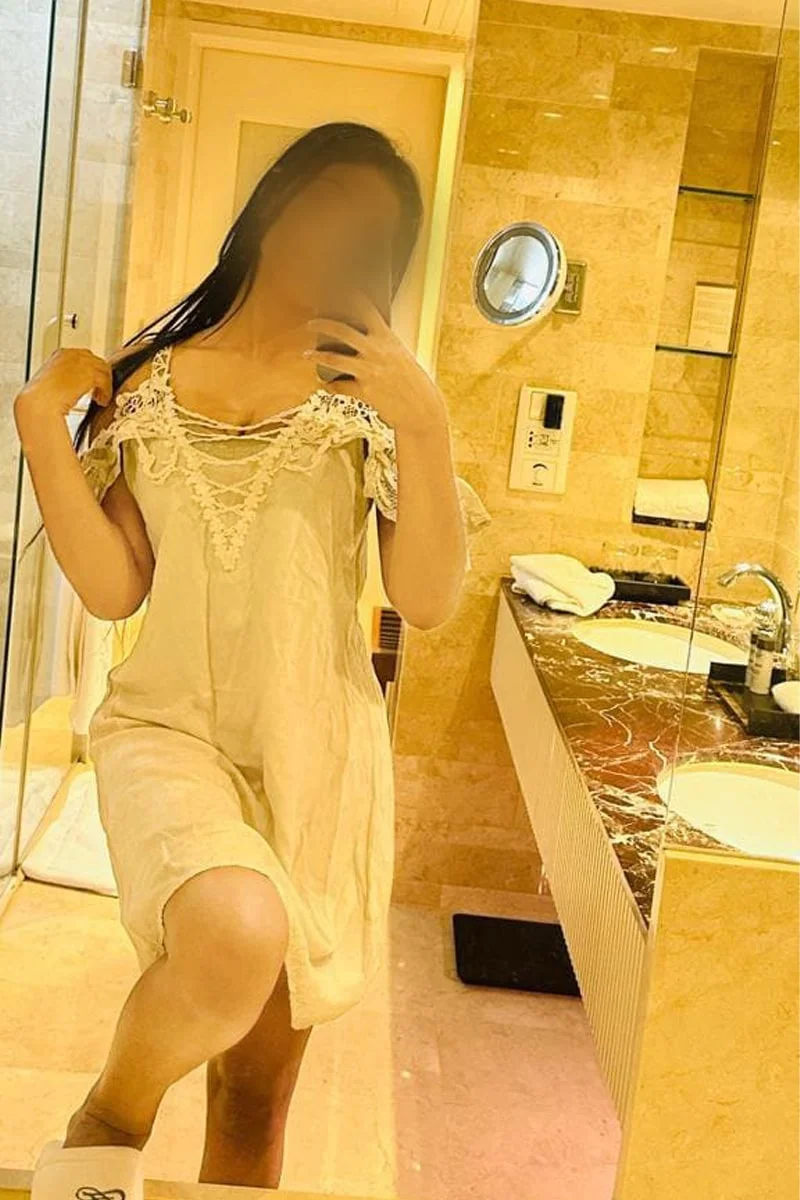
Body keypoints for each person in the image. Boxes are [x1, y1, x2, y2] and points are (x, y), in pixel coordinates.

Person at [15, 121, 490, 1198]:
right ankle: (107, 1120)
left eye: (364, 231)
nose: (329, 235)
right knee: (234, 934)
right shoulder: (147, 380)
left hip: (314, 758)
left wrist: (424, 424)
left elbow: (423, 599)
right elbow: (115, 587)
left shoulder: (367, 403)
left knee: (252, 1098)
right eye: (320, 199)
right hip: (168, 730)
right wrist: (42, 428)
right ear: (273, 202)